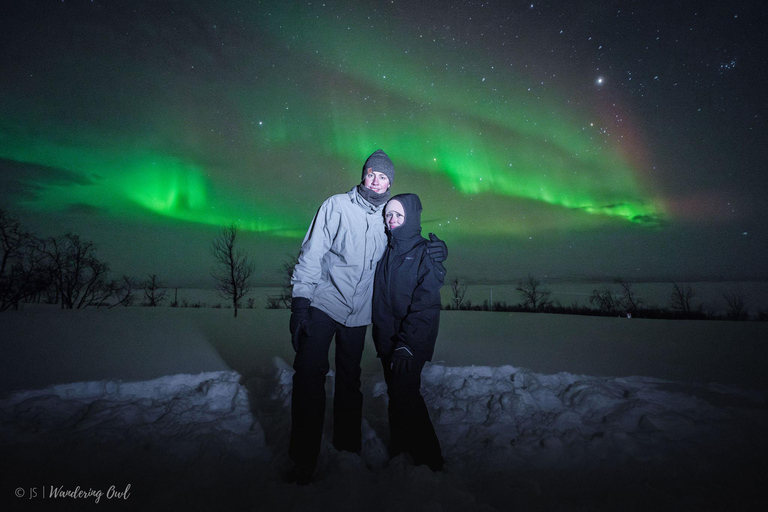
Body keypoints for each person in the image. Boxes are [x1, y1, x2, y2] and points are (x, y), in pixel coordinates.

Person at [287, 150, 446, 485]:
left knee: (349, 382)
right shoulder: (336, 206)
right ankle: (303, 457)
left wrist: (438, 251)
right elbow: (311, 254)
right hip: (325, 303)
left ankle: (348, 448)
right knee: (307, 375)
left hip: (359, 314)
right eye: (372, 174)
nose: (376, 181)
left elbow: (408, 241)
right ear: (363, 175)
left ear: (391, 182)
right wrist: (301, 302)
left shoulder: (387, 218)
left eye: (384, 177)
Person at [372, 193, 445, 472]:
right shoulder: (386, 250)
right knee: (396, 393)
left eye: (399, 215)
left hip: (412, 339)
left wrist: (408, 343)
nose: (392, 220)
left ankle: (431, 460)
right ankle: (401, 449)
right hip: (388, 339)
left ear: (412, 218)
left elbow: (427, 303)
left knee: (406, 394)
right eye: (388, 215)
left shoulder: (426, 252)